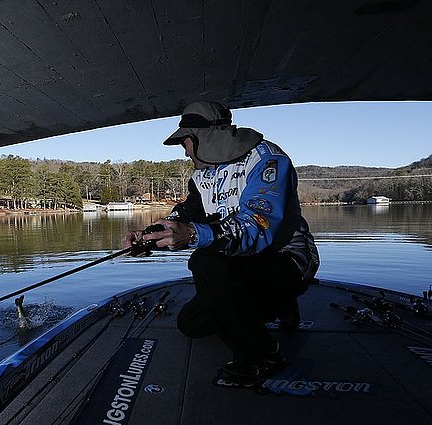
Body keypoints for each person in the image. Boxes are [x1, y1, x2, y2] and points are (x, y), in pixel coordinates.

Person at [122, 101, 319, 389]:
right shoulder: (202, 175)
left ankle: (264, 356)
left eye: (185, 143)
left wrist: (191, 235)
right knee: (190, 325)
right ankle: (271, 309)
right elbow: (188, 213)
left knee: (205, 261)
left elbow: (258, 226)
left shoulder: (268, 161)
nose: (186, 152)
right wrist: (151, 236)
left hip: (285, 261)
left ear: (203, 138)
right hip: (241, 262)